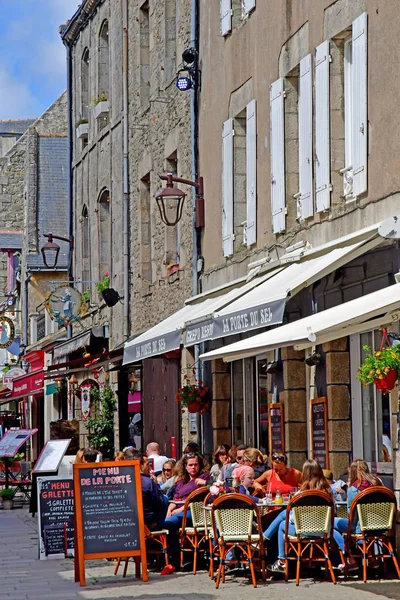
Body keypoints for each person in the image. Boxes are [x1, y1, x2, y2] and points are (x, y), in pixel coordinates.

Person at [266, 459, 346, 574]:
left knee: (283, 524)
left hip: (302, 531)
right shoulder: (328, 492)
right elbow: (333, 513)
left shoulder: (300, 494)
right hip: (324, 532)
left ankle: (282, 561)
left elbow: (293, 518)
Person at [127, 449, 168, 531]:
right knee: (165, 498)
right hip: (148, 524)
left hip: (126, 524)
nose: (149, 468)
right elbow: (160, 503)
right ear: (141, 465)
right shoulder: (147, 482)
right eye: (147, 464)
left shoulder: (121, 480)